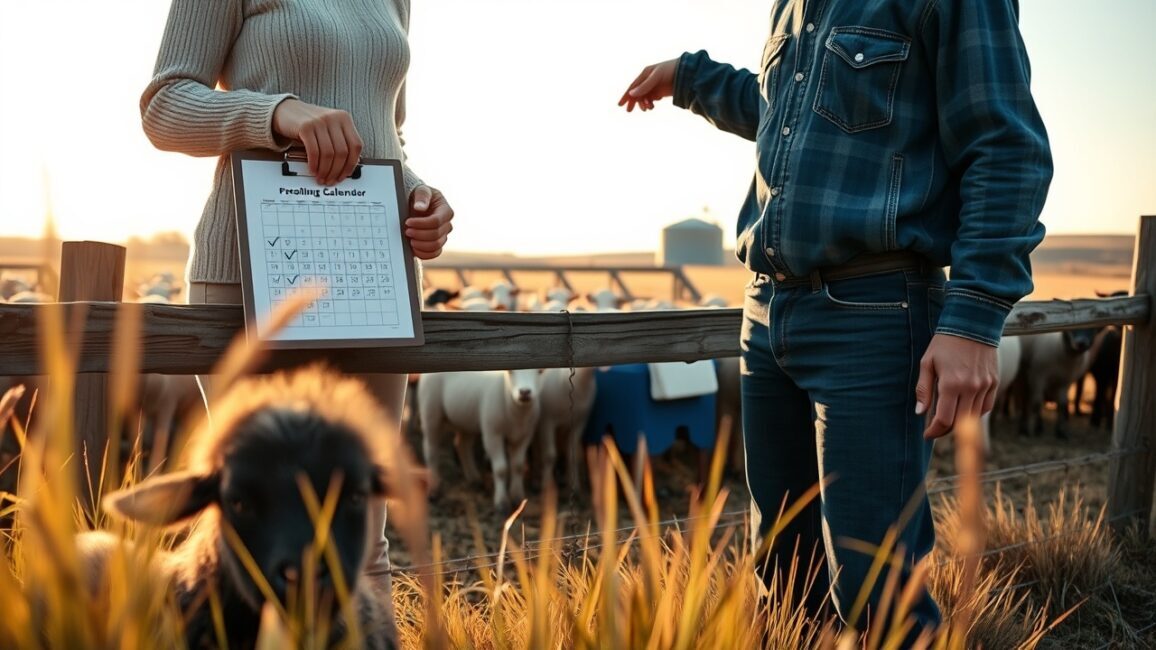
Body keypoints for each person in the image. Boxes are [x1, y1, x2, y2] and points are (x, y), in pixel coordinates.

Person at [620, 0, 1051, 641]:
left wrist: (973, 317)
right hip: (767, 312)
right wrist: (689, 77)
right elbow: (784, 112)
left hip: (873, 313)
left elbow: (1006, 147)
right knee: (786, 572)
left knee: (876, 582)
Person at [140, 0, 453, 634]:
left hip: (375, 278)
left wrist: (420, 196)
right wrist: (276, 111)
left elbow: (385, 134)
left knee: (364, 536)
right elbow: (164, 107)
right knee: (250, 514)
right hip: (251, 273)